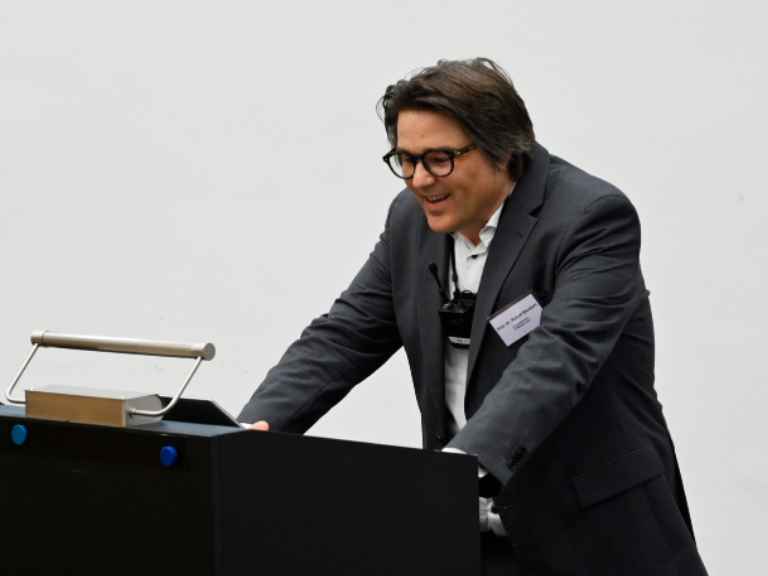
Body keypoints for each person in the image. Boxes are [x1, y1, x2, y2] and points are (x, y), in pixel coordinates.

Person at [238, 58, 708, 575]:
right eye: (405, 159)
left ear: (502, 148)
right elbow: (343, 336)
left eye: (439, 159)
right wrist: (248, 433)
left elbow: (558, 356)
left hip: (600, 537)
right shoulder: (409, 221)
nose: (419, 180)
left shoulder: (591, 218)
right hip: (477, 538)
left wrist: (458, 470)